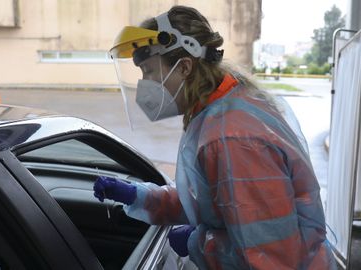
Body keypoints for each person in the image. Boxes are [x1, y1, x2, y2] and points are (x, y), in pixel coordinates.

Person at [93, 5, 336, 269]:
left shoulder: (232, 138)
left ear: (184, 67)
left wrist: (196, 243)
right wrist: (141, 197)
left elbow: (272, 258)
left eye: (149, 71)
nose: (145, 83)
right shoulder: (224, 109)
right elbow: (213, 201)